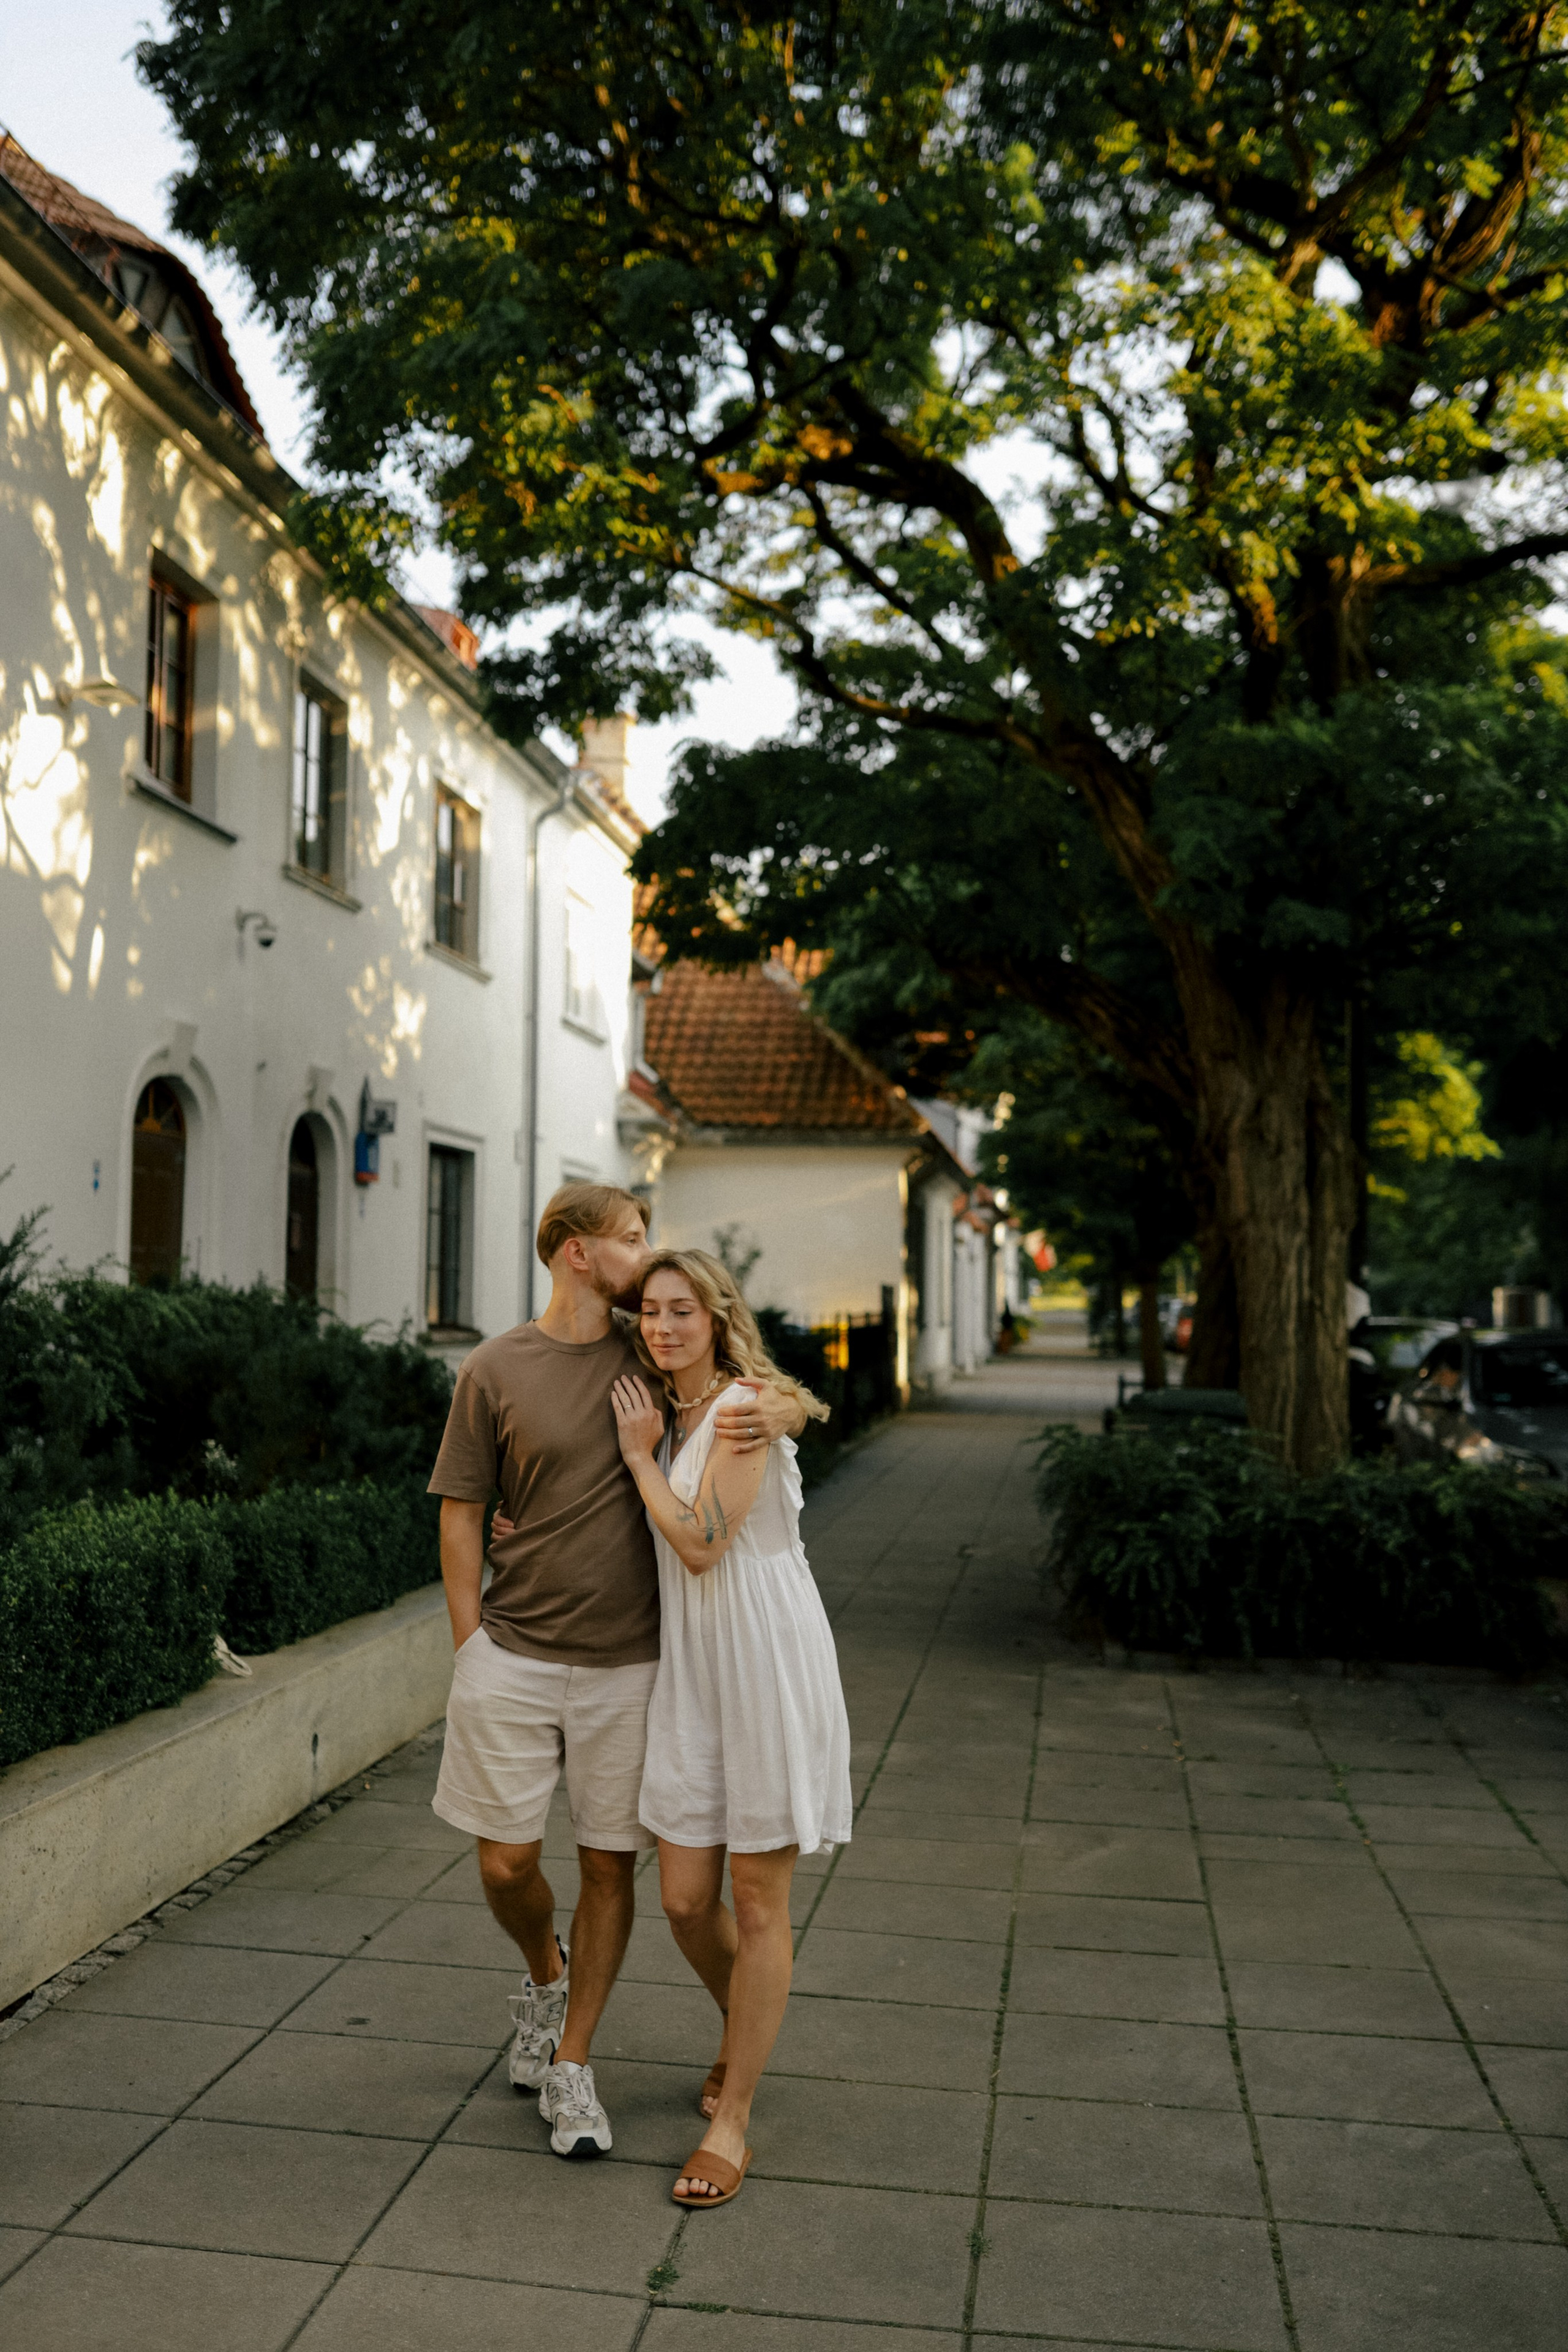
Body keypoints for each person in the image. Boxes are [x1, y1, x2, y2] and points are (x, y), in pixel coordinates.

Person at [426, 1183, 806, 2158]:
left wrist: (783, 1415)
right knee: (507, 1862)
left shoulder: (656, 1348)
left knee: (611, 1868)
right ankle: (544, 1977)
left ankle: (574, 2065)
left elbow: (752, 1381)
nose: (648, 1256)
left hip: (635, 1664)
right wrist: (469, 1642)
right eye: (631, 1239)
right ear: (574, 1252)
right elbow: (464, 1508)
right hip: (510, 1651)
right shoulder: (495, 1365)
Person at [609, 1248, 851, 2209]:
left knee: (756, 1903)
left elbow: (705, 1546)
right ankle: (746, 2024)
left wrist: (636, 1459)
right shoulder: (675, 1413)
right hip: (695, 1671)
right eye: (651, 1314)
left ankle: (734, 2121)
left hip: (763, 1662)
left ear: (716, 1317)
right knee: (680, 1898)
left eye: (682, 1311)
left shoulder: (744, 1408)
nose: (663, 1327)